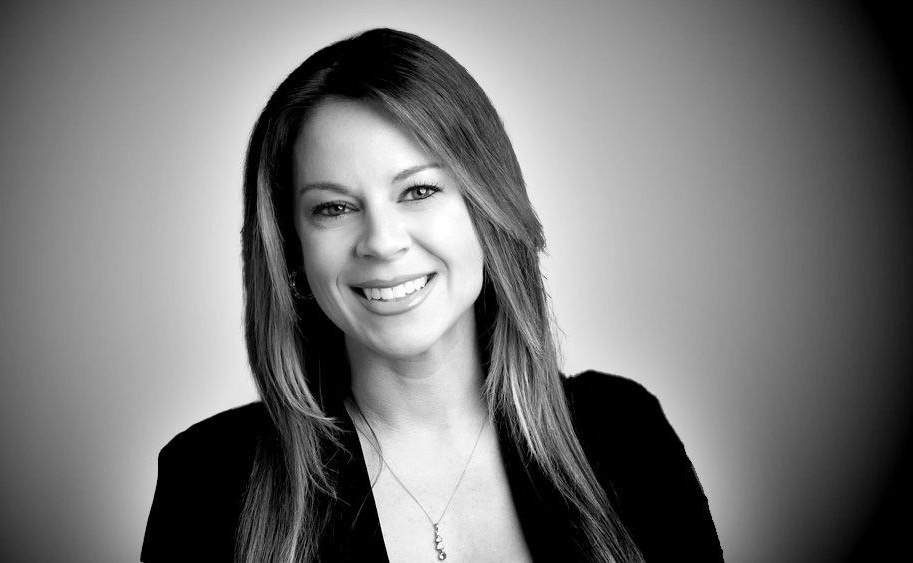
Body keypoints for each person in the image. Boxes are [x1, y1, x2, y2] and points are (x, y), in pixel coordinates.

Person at [141, 28, 722, 562]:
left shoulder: (625, 434)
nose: (383, 242)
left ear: (487, 209)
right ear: (293, 250)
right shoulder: (210, 480)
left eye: (418, 190)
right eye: (334, 208)